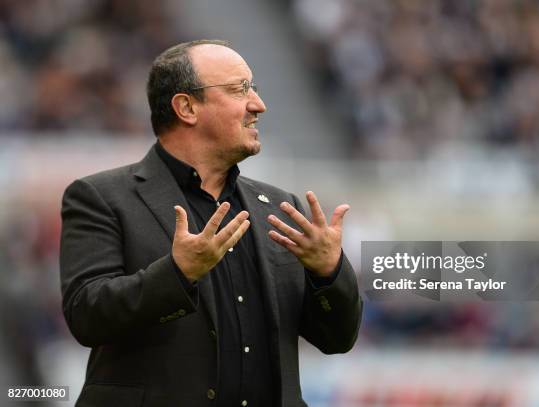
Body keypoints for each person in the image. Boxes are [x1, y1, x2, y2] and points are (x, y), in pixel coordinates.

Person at [59, 39, 362, 407]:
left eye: (255, 89)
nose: (258, 105)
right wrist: (177, 273)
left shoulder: (281, 207)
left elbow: (338, 340)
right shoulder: (102, 197)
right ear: (186, 107)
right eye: (239, 90)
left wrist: (328, 273)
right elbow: (86, 316)